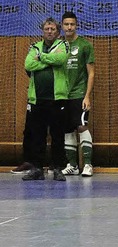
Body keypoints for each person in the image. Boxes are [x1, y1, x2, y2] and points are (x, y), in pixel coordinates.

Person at [21, 17, 69, 181]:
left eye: (53, 29)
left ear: (58, 32)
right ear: (43, 30)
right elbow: (28, 65)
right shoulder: (35, 47)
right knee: (37, 135)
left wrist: (41, 58)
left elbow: (60, 60)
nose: (49, 32)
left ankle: (57, 168)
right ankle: (37, 168)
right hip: (37, 100)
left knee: (57, 135)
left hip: (57, 99)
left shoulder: (62, 46)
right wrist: (48, 60)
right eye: (47, 29)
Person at [60, 11, 95, 177]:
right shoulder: (58, 46)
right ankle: (72, 165)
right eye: (66, 24)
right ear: (62, 26)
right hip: (62, 95)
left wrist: (87, 96)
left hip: (79, 94)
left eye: (72, 24)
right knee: (67, 129)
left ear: (76, 25)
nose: (69, 27)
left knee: (82, 126)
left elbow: (92, 73)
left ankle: (87, 164)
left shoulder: (85, 45)